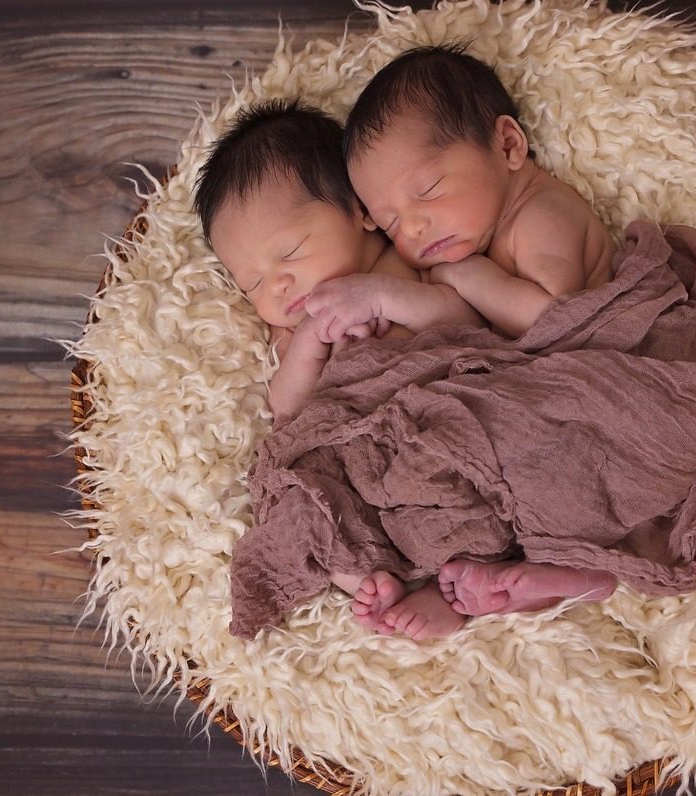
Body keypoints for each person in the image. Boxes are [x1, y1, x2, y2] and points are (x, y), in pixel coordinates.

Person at [337, 44, 621, 625]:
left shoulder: (544, 212)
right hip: (549, 397)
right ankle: (475, 586)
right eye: (389, 221)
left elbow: (549, 317)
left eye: (428, 190)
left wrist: (466, 274)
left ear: (508, 145)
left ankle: (558, 570)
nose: (412, 226)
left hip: (603, 385)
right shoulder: (484, 229)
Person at [194, 99, 481, 640]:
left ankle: (461, 591)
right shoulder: (293, 332)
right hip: (357, 459)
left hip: (437, 424)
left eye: (291, 252)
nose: (276, 285)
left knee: (485, 483)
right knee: (304, 502)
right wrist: (309, 341)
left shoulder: (411, 264)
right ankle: (371, 580)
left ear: (360, 209)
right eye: (251, 282)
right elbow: (288, 409)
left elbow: (465, 321)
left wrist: (380, 297)